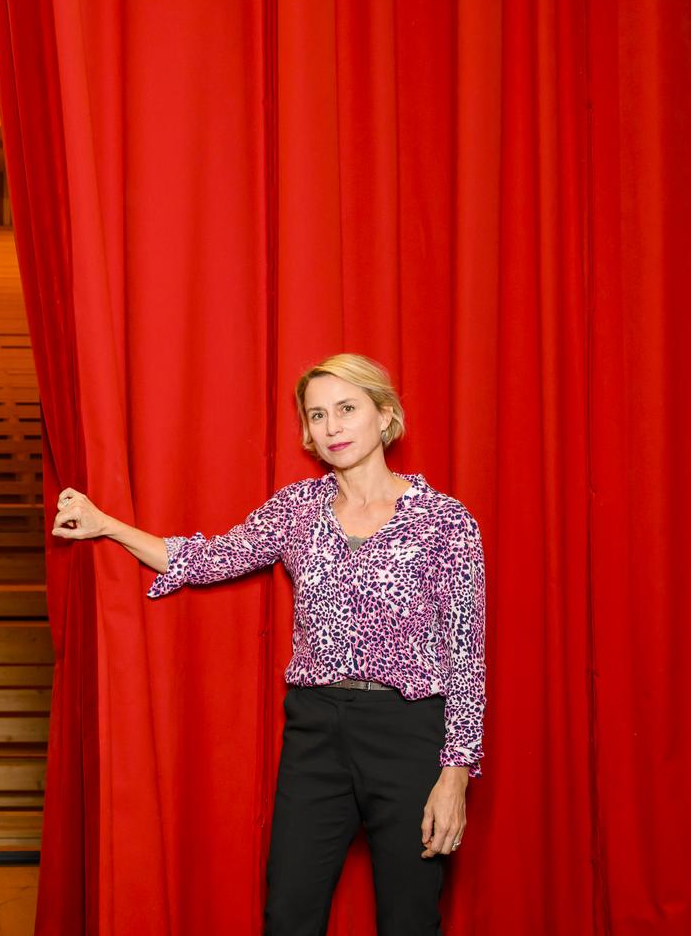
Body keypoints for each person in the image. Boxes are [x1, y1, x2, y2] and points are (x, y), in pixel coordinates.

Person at [51, 353, 483, 935]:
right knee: (289, 912)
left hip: (409, 732)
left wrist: (455, 774)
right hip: (317, 730)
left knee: (409, 918)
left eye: (347, 410)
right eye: (318, 415)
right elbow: (208, 557)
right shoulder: (297, 509)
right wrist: (108, 525)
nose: (332, 427)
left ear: (384, 417)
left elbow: (466, 655)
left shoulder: (445, 521)